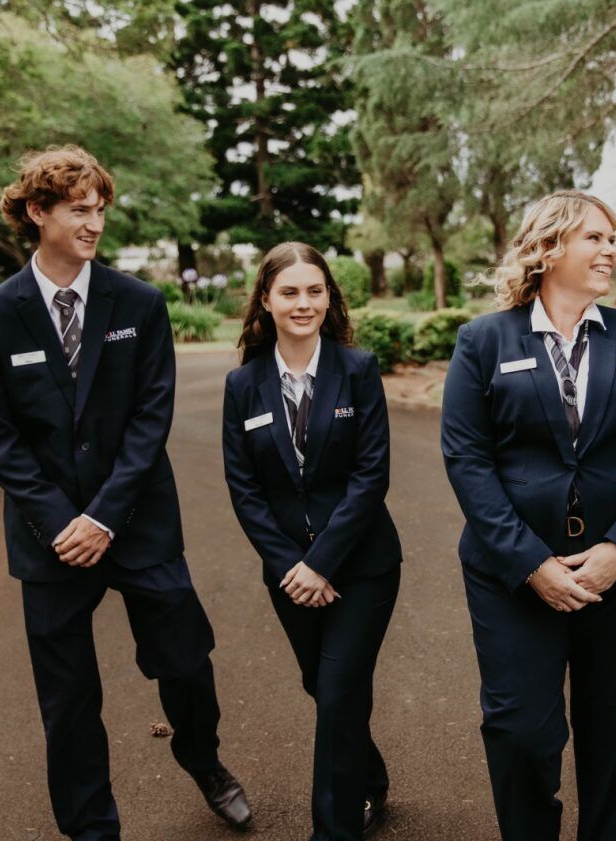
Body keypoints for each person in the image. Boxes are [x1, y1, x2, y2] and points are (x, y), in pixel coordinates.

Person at [0, 145, 252, 840]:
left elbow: (151, 418)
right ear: (38, 212)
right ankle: (91, 826)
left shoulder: (139, 304)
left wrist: (105, 516)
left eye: (100, 211)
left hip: (137, 520)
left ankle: (202, 756)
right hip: (49, 535)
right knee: (67, 700)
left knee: (186, 658)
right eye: (78, 211)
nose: (94, 224)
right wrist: (66, 520)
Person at [440, 190, 616, 840]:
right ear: (550, 247)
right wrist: (531, 562)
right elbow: (468, 458)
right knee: (521, 731)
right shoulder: (482, 342)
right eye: (595, 237)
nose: (612, 249)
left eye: (613, 238)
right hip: (516, 578)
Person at [222, 242, 402, 841]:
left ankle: (334, 827)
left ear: (330, 297)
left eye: (316, 291)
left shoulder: (358, 369)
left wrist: (321, 562)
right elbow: (243, 490)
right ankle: (370, 778)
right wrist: (290, 566)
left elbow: (370, 476)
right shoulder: (242, 385)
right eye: (291, 292)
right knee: (327, 691)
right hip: (288, 575)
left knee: (337, 692)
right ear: (266, 301)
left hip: (364, 565)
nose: (305, 303)